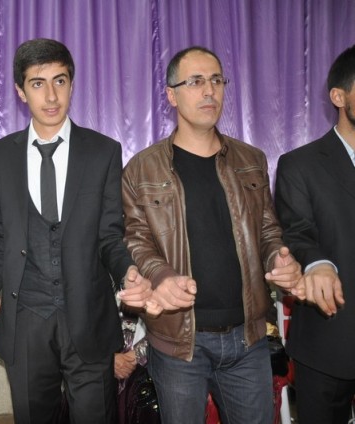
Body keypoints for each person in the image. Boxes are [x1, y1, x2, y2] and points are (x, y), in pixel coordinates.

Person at [0, 38, 156, 423]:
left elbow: (109, 235)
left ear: (72, 84)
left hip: (89, 318)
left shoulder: (103, 151)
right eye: (38, 84)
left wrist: (129, 272)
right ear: (20, 91)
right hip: (25, 322)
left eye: (60, 81)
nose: (51, 96)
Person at [121, 46, 302, 424]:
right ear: (171, 95)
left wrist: (279, 258)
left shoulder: (251, 159)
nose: (209, 91)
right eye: (196, 82)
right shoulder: (142, 168)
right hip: (177, 342)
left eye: (217, 80)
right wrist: (161, 276)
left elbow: (267, 230)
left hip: (248, 337)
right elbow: (136, 239)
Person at [274, 44, 355, 423]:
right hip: (327, 340)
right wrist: (319, 264)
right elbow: (296, 231)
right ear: (338, 97)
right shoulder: (300, 164)